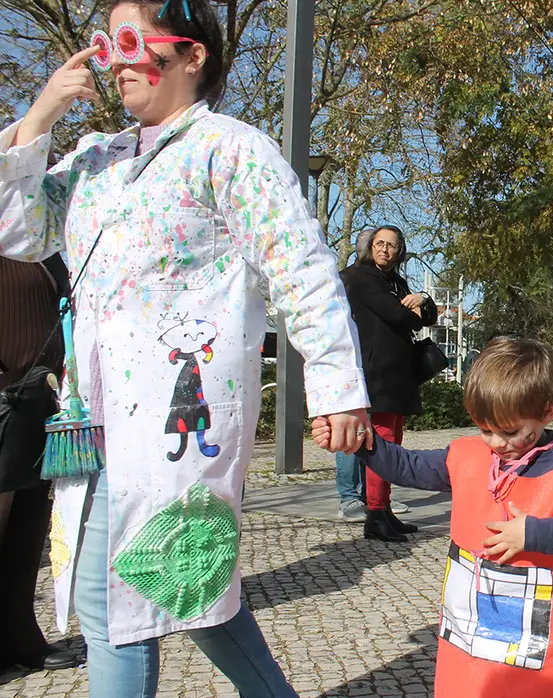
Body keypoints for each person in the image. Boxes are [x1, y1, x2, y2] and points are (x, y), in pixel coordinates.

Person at [0, 2, 372, 695]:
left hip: (178, 422)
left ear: (191, 54)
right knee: (180, 583)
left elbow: (299, 266)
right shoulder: (96, 159)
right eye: (106, 44)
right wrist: (40, 116)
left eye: (134, 42)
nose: (116, 62)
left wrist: (338, 386)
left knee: (119, 599)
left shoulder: (230, 149)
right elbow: (15, 232)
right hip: (93, 421)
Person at [313, 336, 553, 698]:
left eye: (509, 432)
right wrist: (361, 441)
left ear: (547, 410)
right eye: (484, 429)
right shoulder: (470, 457)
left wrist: (533, 533)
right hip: (468, 640)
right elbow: (408, 466)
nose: (495, 443)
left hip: (529, 649)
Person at [0, 255, 78, 673]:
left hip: (40, 399)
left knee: (28, 529)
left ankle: (20, 637)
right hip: (3, 396)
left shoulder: (44, 250)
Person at [338, 225, 438, 540]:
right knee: (379, 441)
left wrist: (422, 299)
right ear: (371, 248)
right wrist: (413, 310)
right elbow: (398, 317)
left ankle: (385, 509)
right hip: (377, 372)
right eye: (379, 244)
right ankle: (375, 514)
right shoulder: (361, 277)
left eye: (391, 245)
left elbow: (428, 317)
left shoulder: (395, 280)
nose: (384, 249)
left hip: (399, 374)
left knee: (393, 442)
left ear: (399, 251)